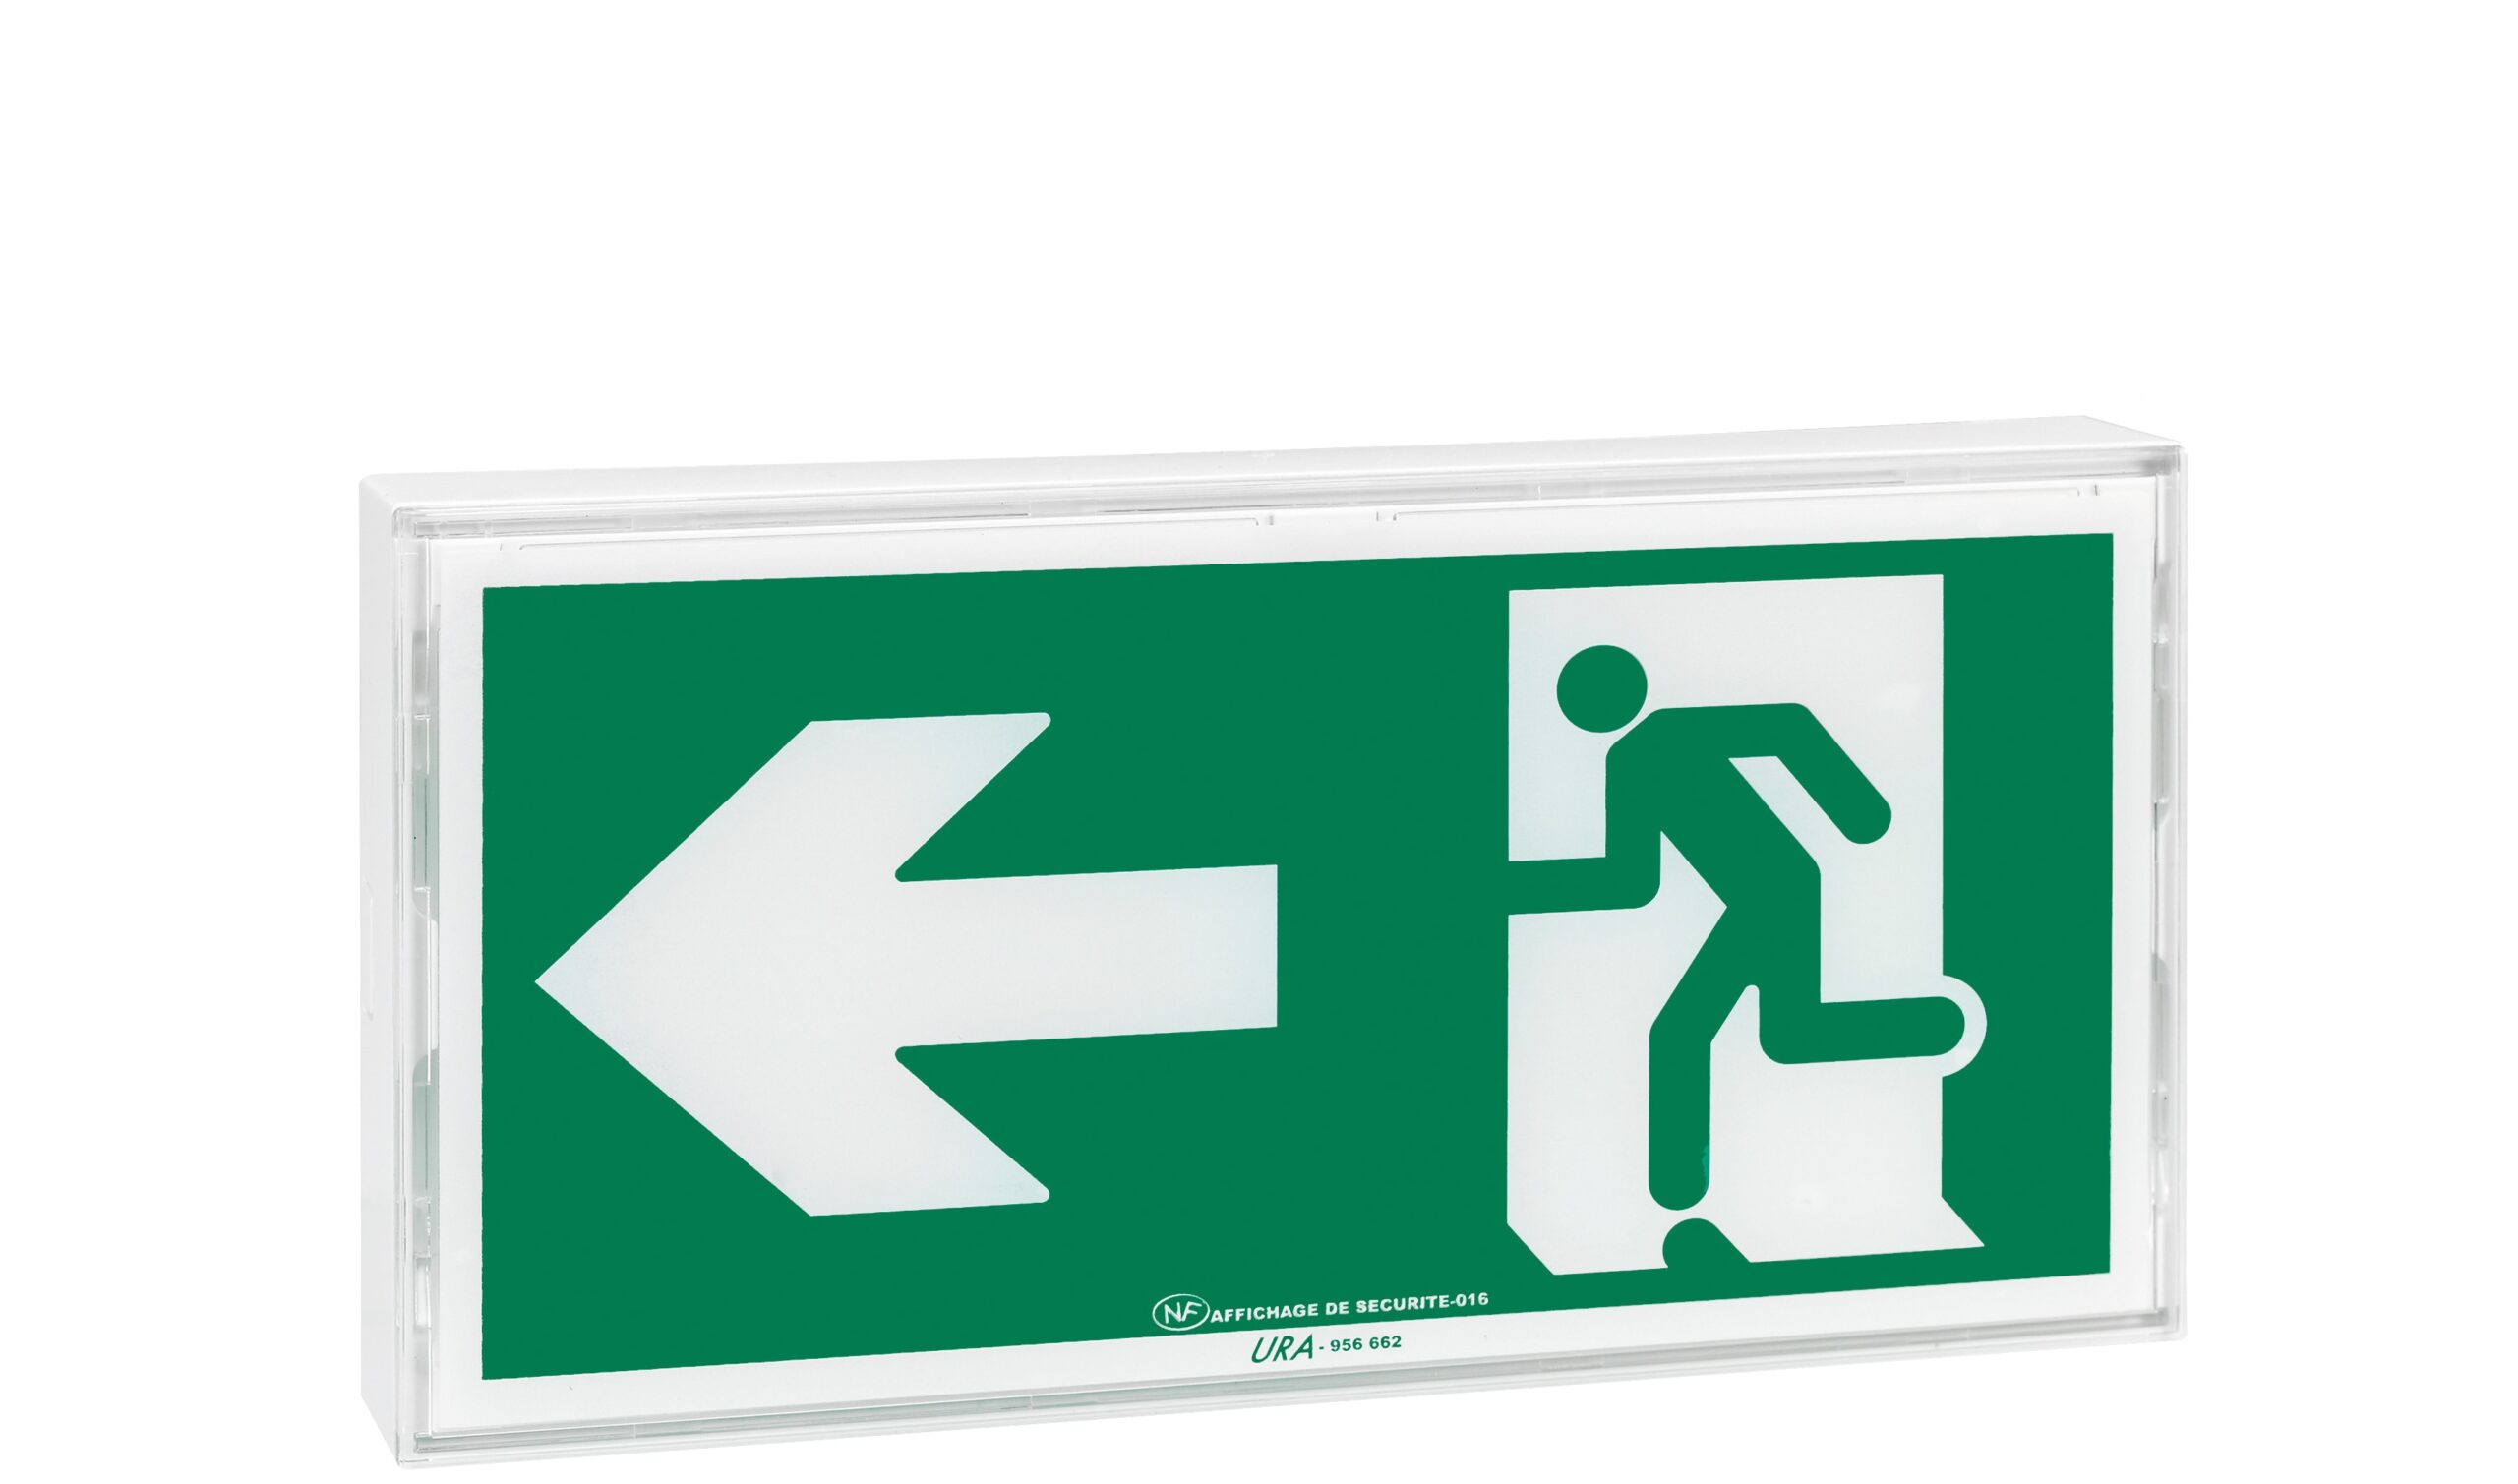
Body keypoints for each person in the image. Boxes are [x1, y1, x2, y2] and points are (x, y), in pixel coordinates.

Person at [1513, 643, 1962, 1210]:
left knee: (1686, 1034)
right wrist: (1516, 886)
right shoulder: (1635, 756)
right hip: (1773, 893)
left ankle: (1678, 1182)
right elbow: (1633, 880)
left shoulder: (1661, 740)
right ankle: (1933, 1024)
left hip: (1776, 894)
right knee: (1781, 1034)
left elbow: (1786, 727)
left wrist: (1858, 809)